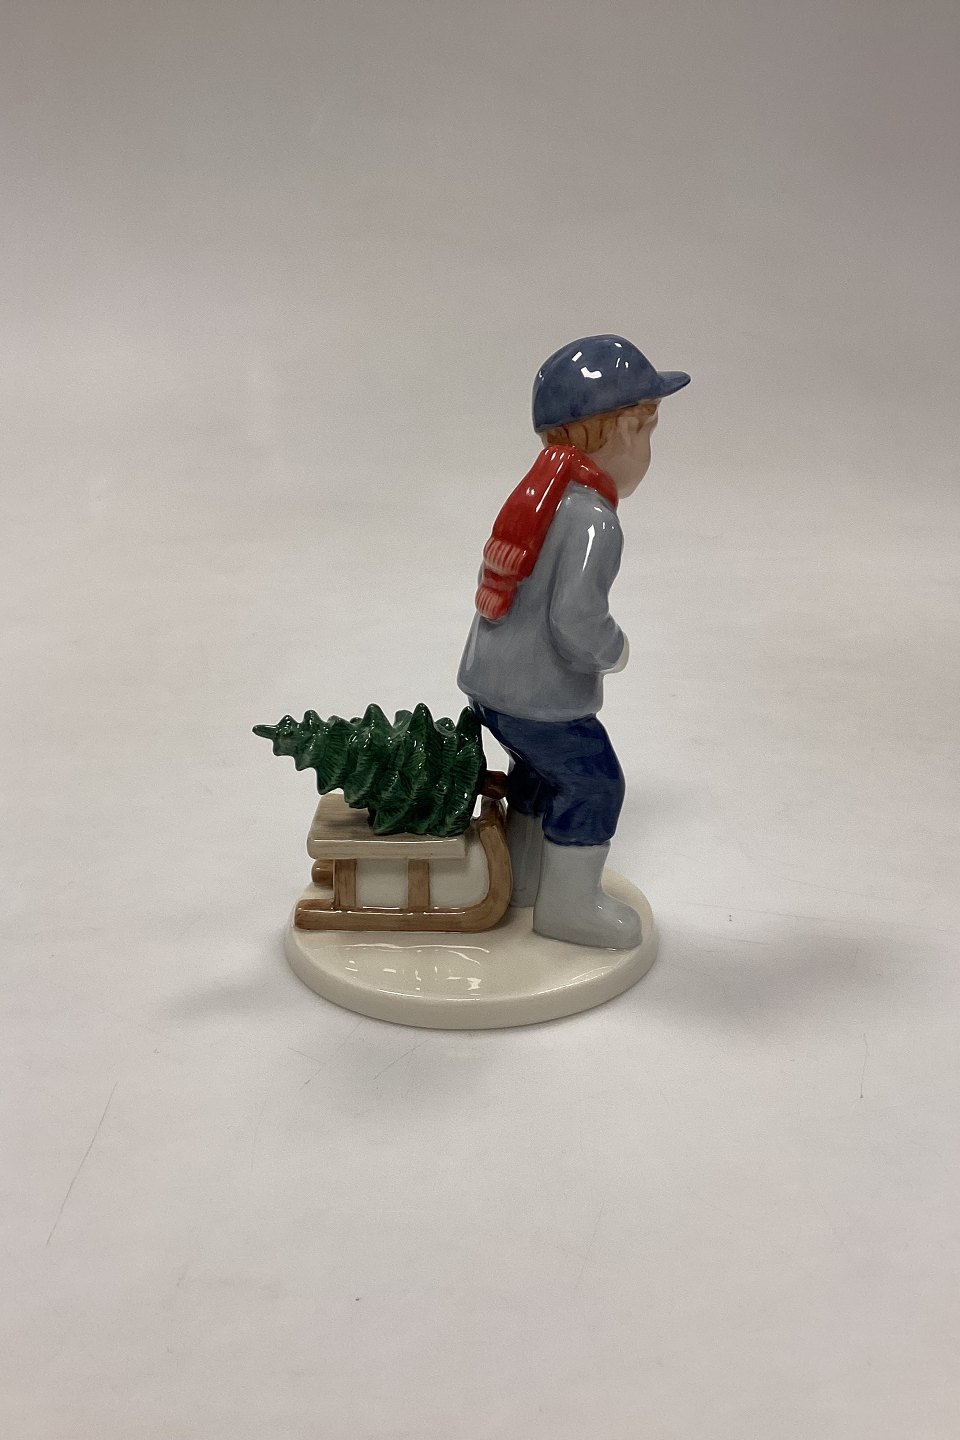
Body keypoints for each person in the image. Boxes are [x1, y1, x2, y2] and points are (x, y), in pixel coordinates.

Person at [458, 334, 689, 948]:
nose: (648, 448)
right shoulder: (592, 518)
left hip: (492, 688)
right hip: (540, 698)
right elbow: (578, 621)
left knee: (537, 777)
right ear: (623, 430)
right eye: (648, 431)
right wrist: (615, 650)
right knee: (593, 782)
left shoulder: (539, 496)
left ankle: (523, 880)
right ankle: (569, 907)